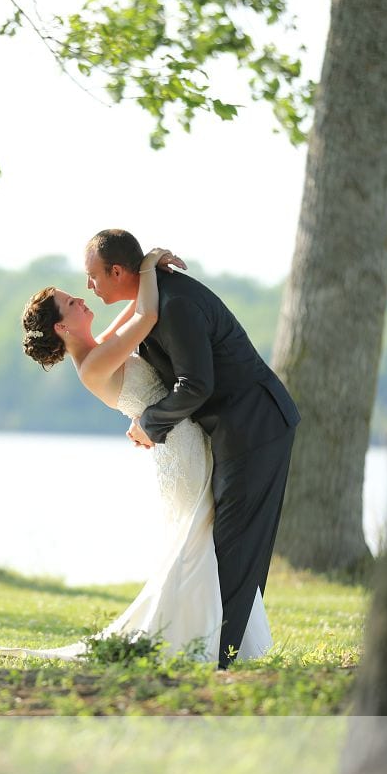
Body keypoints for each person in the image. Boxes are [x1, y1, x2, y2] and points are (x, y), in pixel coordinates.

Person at [0, 245, 272, 664]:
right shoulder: (92, 364)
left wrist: (145, 275)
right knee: (197, 540)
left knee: (201, 538)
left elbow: (135, 314)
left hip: (180, 445)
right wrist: (145, 268)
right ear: (63, 328)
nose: (81, 299)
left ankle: (210, 635)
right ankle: (197, 638)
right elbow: (147, 316)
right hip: (180, 452)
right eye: (70, 303)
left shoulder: (99, 348)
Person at [84, 229, 300, 669]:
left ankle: (218, 658)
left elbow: (196, 385)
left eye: (92, 276)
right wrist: (150, 265)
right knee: (227, 544)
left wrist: (150, 422)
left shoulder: (175, 304)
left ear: (118, 271)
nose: (88, 286)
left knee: (233, 547)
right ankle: (221, 652)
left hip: (255, 427)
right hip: (233, 431)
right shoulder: (152, 299)